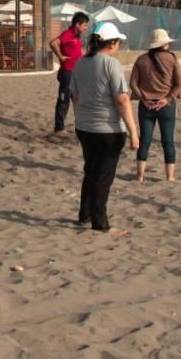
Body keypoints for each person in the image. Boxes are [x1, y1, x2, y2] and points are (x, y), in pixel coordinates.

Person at [70, 22, 139, 235]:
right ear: (112, 43)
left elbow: (75, 95)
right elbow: (122, 100)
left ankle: (85, 214)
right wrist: (133, 133)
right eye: (117, 42)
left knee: (90, 171)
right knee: (102, 177)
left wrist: (80, 117)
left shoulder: (80, 63)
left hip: (85, 127)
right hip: (108, 130)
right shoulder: (111, 64)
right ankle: (100, 222)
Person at [129, 28, 181, 184]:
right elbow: (179, 84)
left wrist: (143, 99)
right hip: (166, 106)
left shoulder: (141, 59)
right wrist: (167, 99)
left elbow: (133, 84)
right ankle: (170, 177)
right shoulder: (172, 59)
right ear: (164, 44)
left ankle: (139, 176)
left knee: (144, 141)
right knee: (168, 141)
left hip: (146, 106)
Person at [50, 12, 90, 134]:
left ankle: (81, 125)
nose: (86, 27)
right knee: (64, 100)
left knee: (77, 99)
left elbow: (76, 54)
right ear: (77, 24)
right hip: (67, 73)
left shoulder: (77, 37)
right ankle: (59, 127)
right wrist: (60, 57)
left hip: (76, 73)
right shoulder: (68, 34)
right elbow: (53, 43)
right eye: (84, 25)